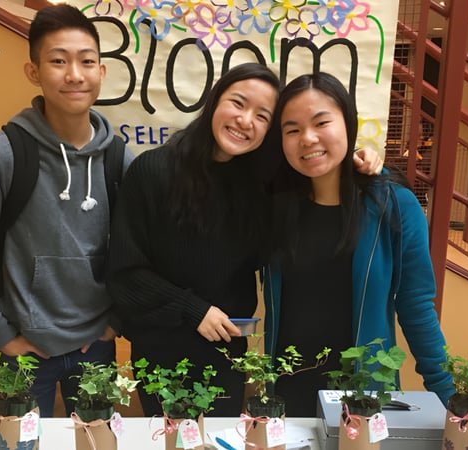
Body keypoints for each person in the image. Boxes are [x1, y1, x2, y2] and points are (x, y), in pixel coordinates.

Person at [106, 63, 384, 417]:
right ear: (214, 101)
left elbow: (317, 163)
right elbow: (125, 273)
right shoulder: (152, 170)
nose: (245, 120)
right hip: (161, 349)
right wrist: (193, 309)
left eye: (262, 116)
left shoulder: (262, 184)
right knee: (172, 438)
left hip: (227, 352)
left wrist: (358, 158)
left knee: (220, 437)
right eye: (238, 103)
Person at [0, 4, 134, 417]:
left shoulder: (119, 159)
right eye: (58, 61)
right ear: (34, 72)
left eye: (87, 61)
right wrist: (2, 337)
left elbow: (140, 254)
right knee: (21, 444)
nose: (74, 74)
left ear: (102, 71)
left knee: (97, 442)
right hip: (22, 353)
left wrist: (115, 322)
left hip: (97, 347)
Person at [262, 72, 455, 416]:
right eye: (292, 130)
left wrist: (452, 398)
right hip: (288, 395)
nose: (308, 138)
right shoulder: (274, 206)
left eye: (321, 122)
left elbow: (416, 306)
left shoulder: (393, 205)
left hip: (365, 398)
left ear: (348, 124)